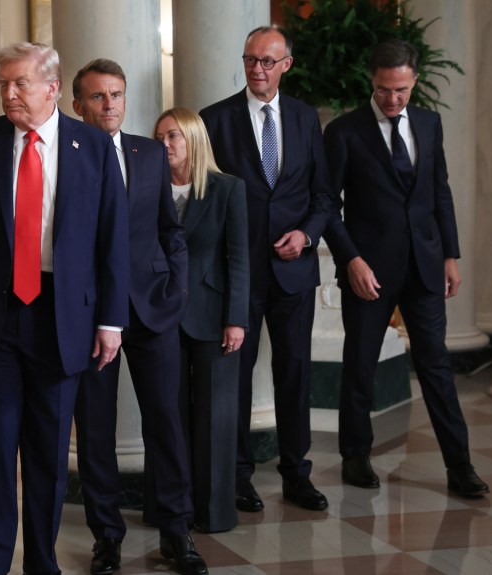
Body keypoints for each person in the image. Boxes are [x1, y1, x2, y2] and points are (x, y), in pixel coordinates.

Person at [0, 43, 129, 575]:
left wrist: (111, 321)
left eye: (19, 82)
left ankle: (43, 563)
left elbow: (112, 240)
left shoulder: (92, 145)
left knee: (47, 454)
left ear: (52, 87)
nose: (9, 92)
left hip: (63, 319)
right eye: (2, 83)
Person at [323, 40, 489, 498]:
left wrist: (450, 256)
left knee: (436, 366)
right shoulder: (343, 132)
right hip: (368, 270)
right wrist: (351, 259)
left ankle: (460, 466)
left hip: (425, 266)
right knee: (360, 365)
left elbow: (440, 193)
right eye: (382, 89)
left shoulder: (430, 124)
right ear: (371, 81)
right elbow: (326, 205)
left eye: (400, 90)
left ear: (414, 80)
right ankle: (355, 455)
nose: (391, 99)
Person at [70, 60, 204, 575]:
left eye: (117, 95)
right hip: (88, 314)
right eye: (99, 96)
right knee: (96, 429)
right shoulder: (66, 153)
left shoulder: (149, 153)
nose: (110, 105)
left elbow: (170, 228)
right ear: (77, 104)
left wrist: (177, 286)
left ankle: (176, 531)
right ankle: (107, 537)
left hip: (152, 307)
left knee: (166, 422)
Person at [200, 25, 334, 513]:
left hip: (293, 273)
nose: (257, 69)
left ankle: (297, 474)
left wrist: (307, 234)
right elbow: (203, 198)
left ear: (286, 65)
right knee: (232, 378)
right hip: (237, 276)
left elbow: (322, 195)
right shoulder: (214, 119)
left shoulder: (303, 119)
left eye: (267, 62)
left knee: (295, 374)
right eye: (250, 60)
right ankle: (238, 475)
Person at [154, 107, 249, 533]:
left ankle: (213, 513)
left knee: (216, 418)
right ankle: (170, 511)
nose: (165, 145)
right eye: (160, 138)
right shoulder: (148, 188)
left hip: (214, 316)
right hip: (161, 316)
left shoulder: (228, 189)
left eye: (173, 136)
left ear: (193, 139)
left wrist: (236, 318)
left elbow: (238, 258)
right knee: (168, 415)